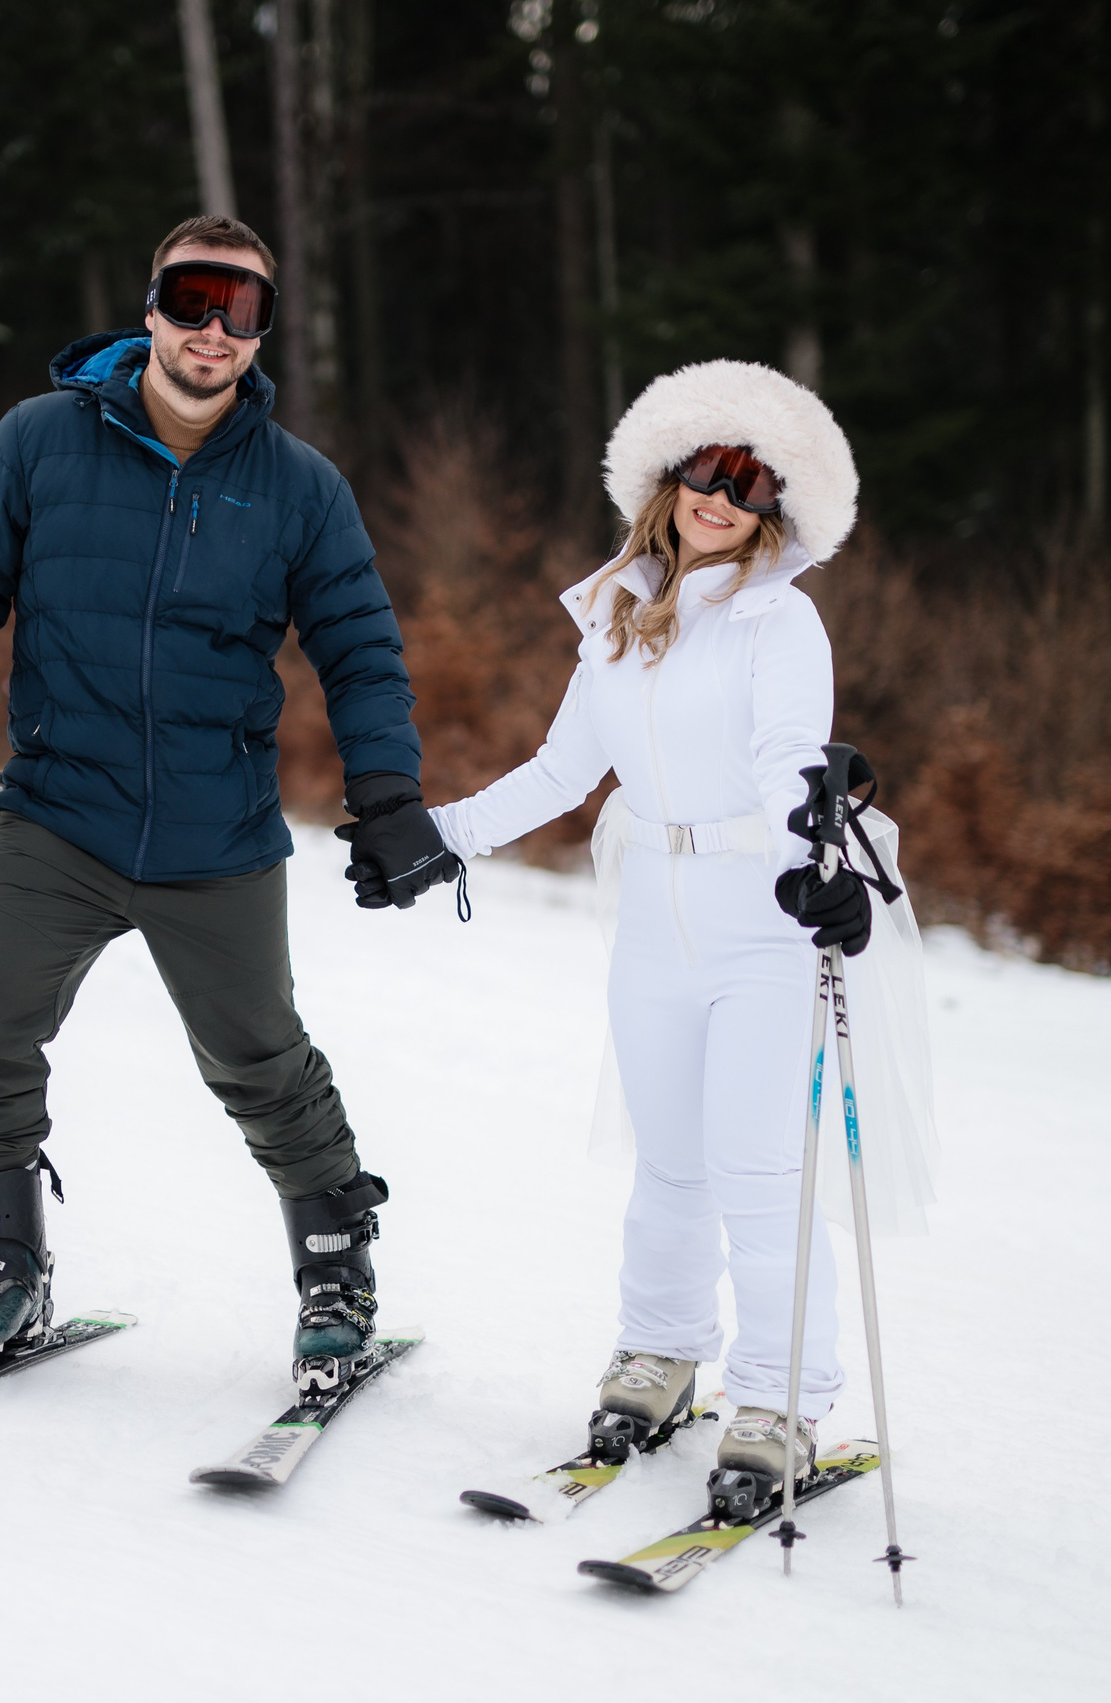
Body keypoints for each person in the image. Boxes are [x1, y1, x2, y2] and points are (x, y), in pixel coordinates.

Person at [0, 213, 462, 1391]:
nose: (214, 328)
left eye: (241, 308)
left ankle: (335, 1267)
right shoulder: (40, 441)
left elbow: (359, 649)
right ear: (148, 307)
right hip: (59, 812)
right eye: (193, 298)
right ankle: (2, 1262)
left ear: (260, 334)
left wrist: (390, 796)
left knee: (261, 1062)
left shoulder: (298, 486)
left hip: (216, 831)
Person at [426, 360, 867, 1496]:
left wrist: (814, 842)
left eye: (748, 482)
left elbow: (785, 761)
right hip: (650, 922)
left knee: (760, 1168)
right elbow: (567, 765)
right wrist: (444, 835)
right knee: (668, 1166)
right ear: (665, 478)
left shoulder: (782, 621)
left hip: (760, 919)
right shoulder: (618, 611)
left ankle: (778, 1398)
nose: (717, 497)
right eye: (701, 471)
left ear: (776, 505)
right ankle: (663, 1354)